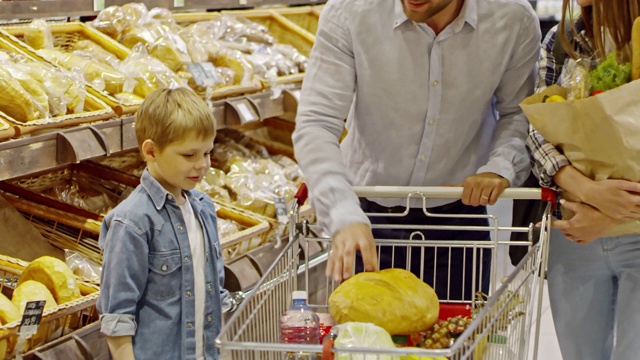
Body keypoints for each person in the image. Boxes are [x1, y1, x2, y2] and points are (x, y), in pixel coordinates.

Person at [292, 0, 541, 301]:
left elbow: (519, 112)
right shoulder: (350, 11)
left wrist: (500, 166)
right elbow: (317, 122)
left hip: (460, 223)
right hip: (367, 220)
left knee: (456, 345)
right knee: (364, 346)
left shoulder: (512, 18)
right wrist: (342, 212)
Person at [528, 0, 640, 358]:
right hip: (574, 234)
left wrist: (616, 213)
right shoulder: (561, 41)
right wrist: (588, 190)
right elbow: (535, 132)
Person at [97, 87, 232, 360]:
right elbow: (117, 318)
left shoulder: (204, 209)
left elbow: (215, 295)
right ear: (151, 151)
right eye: (189, 155)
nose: (203, 165)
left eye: (207, 153)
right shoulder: (132, 222)